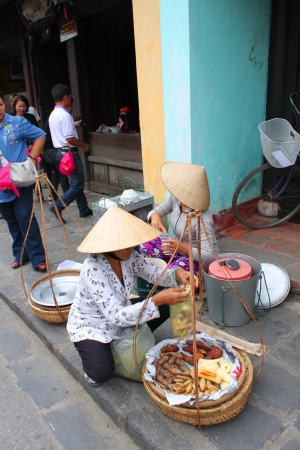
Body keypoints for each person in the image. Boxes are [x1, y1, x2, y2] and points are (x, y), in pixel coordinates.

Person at [67, 206, 198, 386]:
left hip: (122, 309)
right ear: (109, 246)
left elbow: (152, 272)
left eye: (131, 244)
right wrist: (157, 299)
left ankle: (130, 337)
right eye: (125, 245)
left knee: (169, 302)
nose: (130, 249)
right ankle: (102, 349)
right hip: (93, 324)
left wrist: (177, 274)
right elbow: (115, 316)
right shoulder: (93, 270)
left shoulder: (129, 256)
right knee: (101, 373)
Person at [139, 162, 219, 273]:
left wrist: (182, 248)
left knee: (172, 274)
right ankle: (172, 265)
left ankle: (177, 268)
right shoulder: (176, 199)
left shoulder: (203, 218)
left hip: (194, 258)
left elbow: (209, 255)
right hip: (175, 248)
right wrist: (154, 216)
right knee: (144, 246)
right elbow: (157, 211)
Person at [0, 92, 47, 271]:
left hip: (19, 181)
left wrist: (33, 159)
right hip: (1, 186)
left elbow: (40, 135)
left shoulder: (16, 123)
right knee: (11, 221)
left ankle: (38, 258)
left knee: (25, 219)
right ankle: (20, 254)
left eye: (0, 104)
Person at [48, 84, 92, 222]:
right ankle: (58, 205)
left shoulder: (53, 114)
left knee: (75, 183)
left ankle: (83, 208)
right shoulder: (65, 115)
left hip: (60, 153)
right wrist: (84, 145)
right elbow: (70, 139)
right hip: (69, 153)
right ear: (66, 97)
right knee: (78, 184)